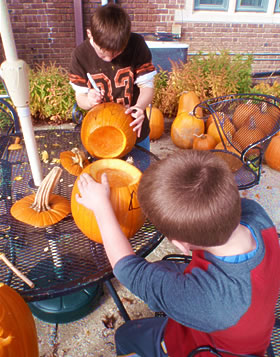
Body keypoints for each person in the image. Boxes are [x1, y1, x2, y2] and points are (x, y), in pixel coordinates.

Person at [75, 150, 280, 356]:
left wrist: (101, 207)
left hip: (201, 347)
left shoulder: (202, 298)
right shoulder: (255, 215)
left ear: (181, 245)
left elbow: (128, 270)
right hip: (252, 326)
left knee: (126, 335)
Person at [69, 3, 156, 151]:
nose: (109, 59)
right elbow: (80, 97)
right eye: (102, 53)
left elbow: (147, 87)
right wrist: (89, 101)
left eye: (116, 53)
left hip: (135, 128)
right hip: (99, 132)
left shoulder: (137, 45)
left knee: (141, 172)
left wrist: (139, 107)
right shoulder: (80, 55)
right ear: (90, 34)